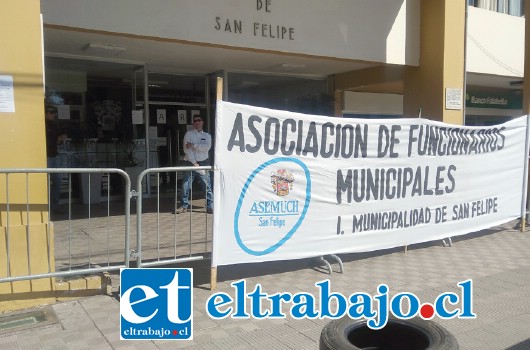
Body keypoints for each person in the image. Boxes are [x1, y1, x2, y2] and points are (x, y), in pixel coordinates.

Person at [175, 115, 214, 214]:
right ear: (193, 123)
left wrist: (194, 145)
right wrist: (194, 162)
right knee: (185, 185)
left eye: (199, 120)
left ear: (202, 122)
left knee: (207, 186)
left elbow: (207, 147)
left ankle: (210, 206)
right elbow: (186, 149)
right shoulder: (189, 134)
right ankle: (184, 206)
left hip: (204, 162)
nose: (197, 122)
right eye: (195, 121)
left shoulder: (207, 136)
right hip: (191, 163)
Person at [45, 105, 67, 213]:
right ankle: (50, 206)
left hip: (52, 156)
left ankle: (53, 206)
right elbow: (49, 140)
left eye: (55, 112)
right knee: (51, 181)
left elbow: (58, 135)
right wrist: (57, 138)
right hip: (46, 156)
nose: (54, 114)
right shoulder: (42, 124)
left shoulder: (53, 125)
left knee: (56, 181)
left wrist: (61, 137)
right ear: (46, 113)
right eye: (52, 112)